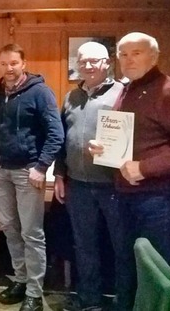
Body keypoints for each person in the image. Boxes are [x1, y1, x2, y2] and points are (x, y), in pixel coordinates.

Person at [90, 32, 170, 310]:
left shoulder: (168, 91)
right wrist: (102, 148)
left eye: (136, 53)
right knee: (126, 265)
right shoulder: (128, 88)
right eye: (123, 54)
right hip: (125, 194)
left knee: (153, 270)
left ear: (154, 56)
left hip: (158, 199)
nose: (128, 60)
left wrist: (145, 167)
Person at [0, 44, 63, 311]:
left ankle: (34, 290)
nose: (9, 68)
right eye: (4, 63)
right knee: (10, 228)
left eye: (14, 63)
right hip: (0, 170)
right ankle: (20, 279)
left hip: (28, 172)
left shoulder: (40, 92)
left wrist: (41, 167)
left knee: (32, 233)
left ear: (24, 63)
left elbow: (56, 133)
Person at [53, 42, 124, 311]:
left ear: (108, 63)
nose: (89, 66)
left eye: (95, 61)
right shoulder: (72, 97)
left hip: (114, 185)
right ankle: (89, 301)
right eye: (83, 61)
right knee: (84, 246)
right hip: (78, 185)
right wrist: (60, 175)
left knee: (121, 246)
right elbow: (61, 140)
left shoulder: (122, 94)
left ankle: (123, 300)